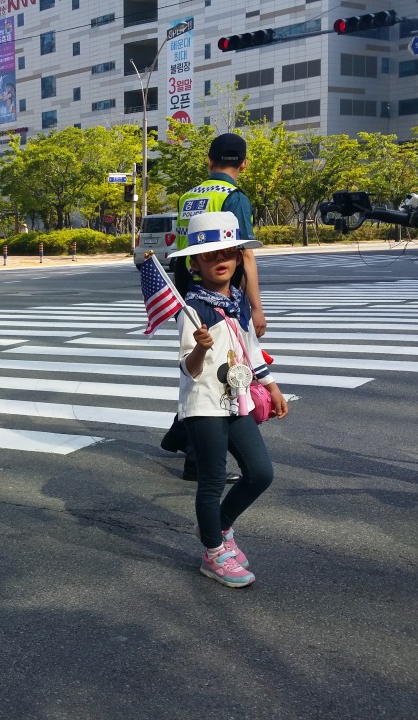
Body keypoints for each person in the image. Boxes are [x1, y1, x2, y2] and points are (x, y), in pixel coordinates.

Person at [167, 211, 288, 588]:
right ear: (195, 263)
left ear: (238, 258)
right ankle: (213, 553)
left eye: (229, 253)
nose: (220, 261)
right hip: (204, 405)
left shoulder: (237, 301)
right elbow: (188, 368)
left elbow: (250, 349)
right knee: (213, 479)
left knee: (261, 472)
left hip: (237, 399)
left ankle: (217, 527)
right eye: (210, 255)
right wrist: (201, 348)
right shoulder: (191, 308)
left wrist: (271, 386)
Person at [162, 132, 266, 482]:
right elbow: (244, 254)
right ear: (244, 165)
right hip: (221, 297)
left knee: (201, 367)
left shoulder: (189, 196)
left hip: (187, 291)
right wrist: (255, 307)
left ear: (209, 161)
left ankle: (179, 435)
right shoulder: (235, 197)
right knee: (220, 371)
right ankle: (197, 461)